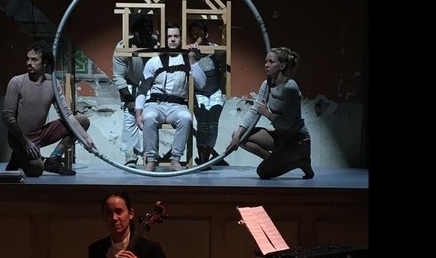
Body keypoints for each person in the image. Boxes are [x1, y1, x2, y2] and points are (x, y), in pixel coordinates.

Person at [2, 45, 96, 176]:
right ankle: (18, 156)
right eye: (28, 59)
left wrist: (86, 138)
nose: (29, 63)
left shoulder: (52, 83)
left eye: (34, 60)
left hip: (40, 134)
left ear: (45, 63)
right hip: (20, 137)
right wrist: (25, 142)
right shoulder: (17, 82)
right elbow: (7, 117)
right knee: (36, 170)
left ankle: (53, 160)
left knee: (83, 121)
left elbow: (66, 114)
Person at [225, 47, 314, 179]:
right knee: (241, 137)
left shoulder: (290, 87)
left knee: (263, 173)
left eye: (271, 62)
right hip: (280, 137)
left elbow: (288, 123)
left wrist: (267, 113)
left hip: (297, 140)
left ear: (282, 65)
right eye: (265, 61)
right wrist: (237, 135)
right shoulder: (267, 84)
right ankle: (274, 159)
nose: (266, 65)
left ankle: (301, 161)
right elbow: (255, 109)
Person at [134, 22, 206, 171]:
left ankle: (175, 159)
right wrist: (138, 111)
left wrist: (193, 62)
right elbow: (142, 89)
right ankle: (151, 160)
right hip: (155, 103)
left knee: (186, 118)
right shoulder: (154, 61)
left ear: (180, 38)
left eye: (176, 36)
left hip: (177, 105)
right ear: (163, 39)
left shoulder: (187, 60)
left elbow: (202, 84)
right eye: (169, 36)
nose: (173, 39)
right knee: (149, 117)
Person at [112, 13, 159, 167]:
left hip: (152, 85)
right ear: (134, 33)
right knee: (130, 117)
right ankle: (130, 157)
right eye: (142, 33)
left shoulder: (156, 44)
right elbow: (118, 77)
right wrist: (130, 101)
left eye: (149, 32)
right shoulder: (122, 47)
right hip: (131, 85)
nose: (146, 37)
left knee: (151, 118)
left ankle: (150, 156)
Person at [186, 19, 229, 167]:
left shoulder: (214, 49)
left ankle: (207, 155)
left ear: (206, 34)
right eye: (193, 34)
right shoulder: (190, 50)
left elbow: (223, 68)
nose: (196, 37)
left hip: (215, 90)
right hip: (199, 92)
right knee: (203, 124)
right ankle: (202, 159)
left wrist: (224, 91)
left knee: (213, 124)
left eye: (199, 33)